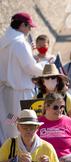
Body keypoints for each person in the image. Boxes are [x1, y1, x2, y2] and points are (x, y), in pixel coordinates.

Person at [0, 12, 43, 143]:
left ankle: (7, 152)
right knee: (23, 124)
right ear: (22, 25)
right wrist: (44, 68)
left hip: (6, 92)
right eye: (29, 26)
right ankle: (19, 155)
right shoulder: (20, 43)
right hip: (21, 94)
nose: (30, 30)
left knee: (9, 123)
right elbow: (29, 67)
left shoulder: (4, 42)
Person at [37, 93, 71, 162]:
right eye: (55, 107)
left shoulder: (70, 122)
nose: (59, 110)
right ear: (47, 106)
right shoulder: (37, 123)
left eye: (62, 107)